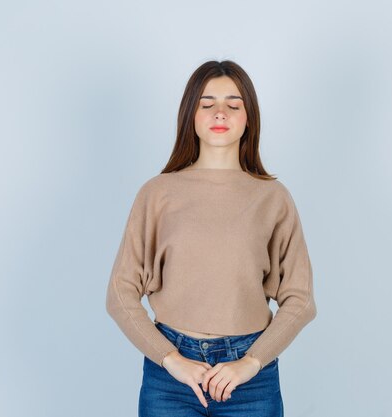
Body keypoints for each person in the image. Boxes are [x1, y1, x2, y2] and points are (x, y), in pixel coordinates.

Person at [106, 60, 317, 417]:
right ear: (191, 114)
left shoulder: (273, 197)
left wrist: (252, 363)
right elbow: (120, 294)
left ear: (249, 118)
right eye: (207, 103)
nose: (221, 112)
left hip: (251, 378)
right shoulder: (157, 194)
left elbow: (300, 299)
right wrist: (170, 359)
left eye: (234, 104)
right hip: (170, 379)